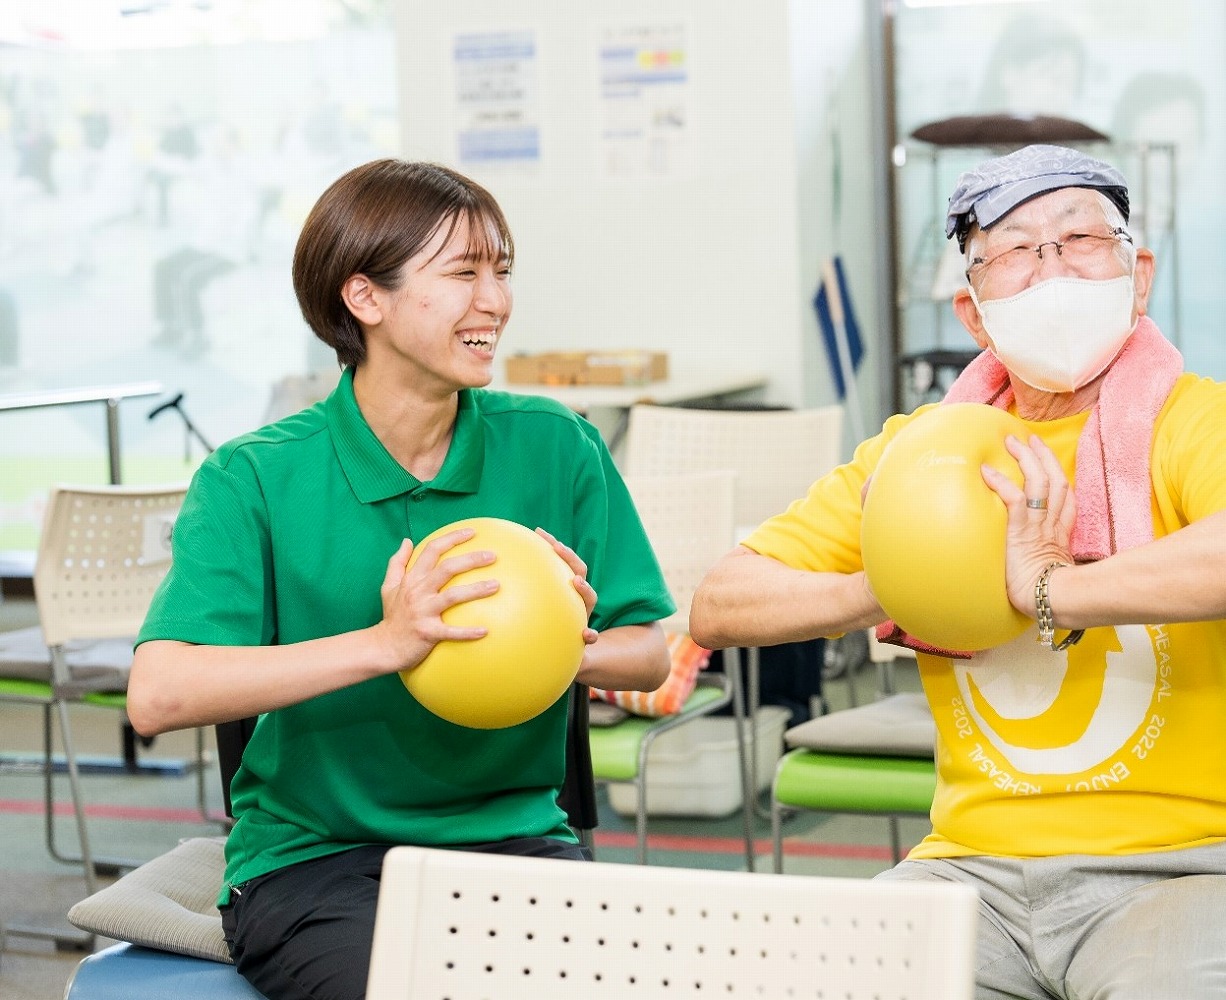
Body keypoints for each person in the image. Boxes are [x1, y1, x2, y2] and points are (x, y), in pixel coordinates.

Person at [127, 158, 673, 1000]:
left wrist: (563, 638)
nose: (494, 301)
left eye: (501, 272)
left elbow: (647, 655)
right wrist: (389, 645)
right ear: (364, 298)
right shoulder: (254, 477)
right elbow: (158, 695)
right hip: (320, 867)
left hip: (518, 843)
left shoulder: (558, 446)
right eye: (461, 274)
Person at [691, 143, 1226, 1000]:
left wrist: (1044, 589)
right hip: (968, 873)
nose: (1051, 267)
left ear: (1139, 273)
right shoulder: (917, 454)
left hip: (1183, 868)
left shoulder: (1195, 420)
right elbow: (720, 603)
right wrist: (899, 581)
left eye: (1081, 237)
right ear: (973, 315)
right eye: (1013, 249)